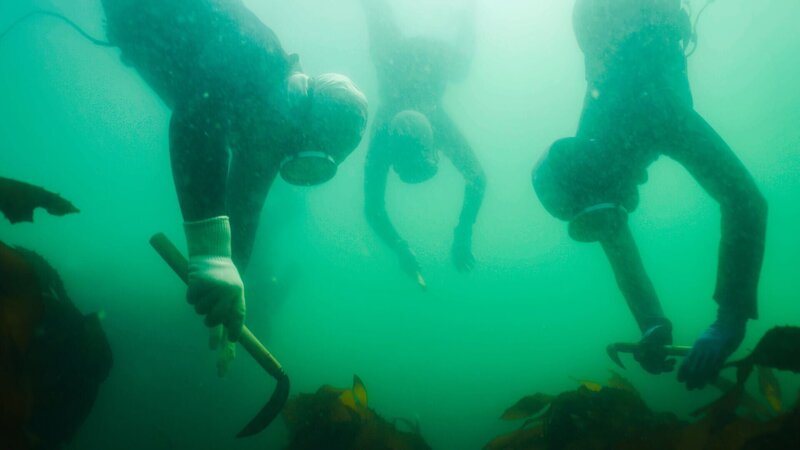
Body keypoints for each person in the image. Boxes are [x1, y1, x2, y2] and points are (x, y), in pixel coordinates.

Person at [101, 0, 368, 345]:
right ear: (300, 114)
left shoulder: (273, 133)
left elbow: (245, 208)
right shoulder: (256, 53)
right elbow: (196, 120)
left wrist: (230, 291)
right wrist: (211, 256)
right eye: (299, 154)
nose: (276, 158)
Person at [533, 0, 767, 390]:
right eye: (595, 222)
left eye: (604, 215)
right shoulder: (594, 146)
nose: (613, 224)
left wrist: (732, 317)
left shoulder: (655, 111)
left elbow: (746, 200)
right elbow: (613, 232)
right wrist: (651, 322)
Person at [360, 0, 486, 287]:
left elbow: (372, 206)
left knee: (459, 66)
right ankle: (467, 12)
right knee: (381, 26)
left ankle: (467, 12)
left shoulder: (386, 133)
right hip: (405, 61)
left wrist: (399, 245)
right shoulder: (416, 126)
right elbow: (477, 179)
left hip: (420, 60)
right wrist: (461, 233)